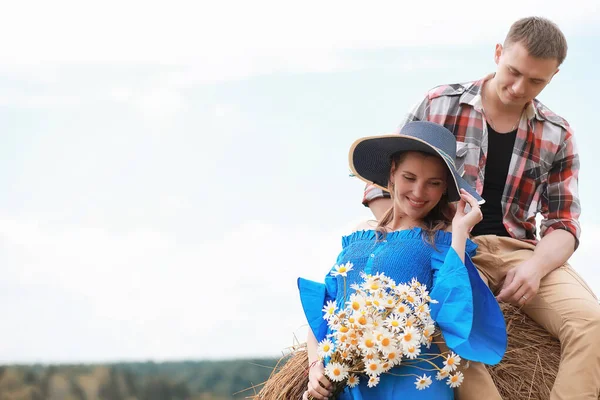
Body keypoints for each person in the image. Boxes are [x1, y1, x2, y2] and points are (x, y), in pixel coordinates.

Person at [363, 17, 600, 400]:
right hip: (440, 243)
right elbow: (381, 186)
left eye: (536, 81)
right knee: (448, 324)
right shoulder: (439, 103)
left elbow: (564, 223)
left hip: (517, 251)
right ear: (497, 53)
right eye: (513, 72)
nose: (520, 88)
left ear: (554, 77)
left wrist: (536, 267)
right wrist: (415, 241)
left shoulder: (559, 133)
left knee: (591, 323)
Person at [298, 121, 507, 399]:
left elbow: (452, 311)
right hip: (349, 386)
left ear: (445, 188)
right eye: (410, 177)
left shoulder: (441, 242)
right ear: (392, 173)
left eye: (433, 183)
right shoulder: (356, 243)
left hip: (411, 386)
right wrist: (315, 368)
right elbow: (326, 312)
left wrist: (459, 232)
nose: (419, 192)